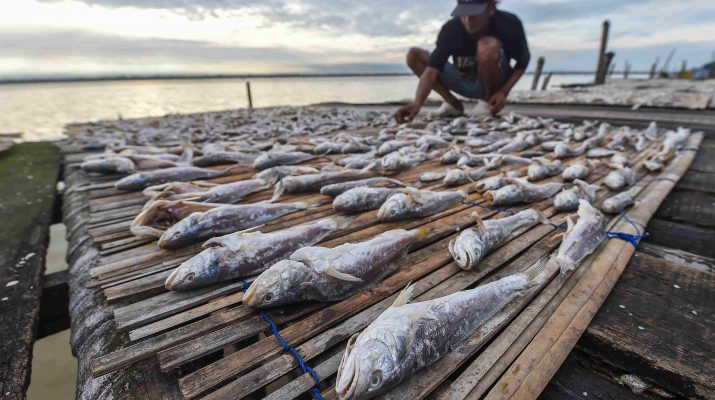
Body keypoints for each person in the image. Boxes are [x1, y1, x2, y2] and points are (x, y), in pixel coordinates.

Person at [394, 0, 530, 123]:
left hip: (494, 82)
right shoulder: (451, 28)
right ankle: (452, 104)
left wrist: (503, 92)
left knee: (487, 45)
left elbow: (522, 63)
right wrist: (417, 103)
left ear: (491, 8)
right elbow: (431, 72)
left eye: (474, 15)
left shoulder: (509, 24)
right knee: (414, 55)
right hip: (464, 80)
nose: (467, 21)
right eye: (463, 14)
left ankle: (488, 103)